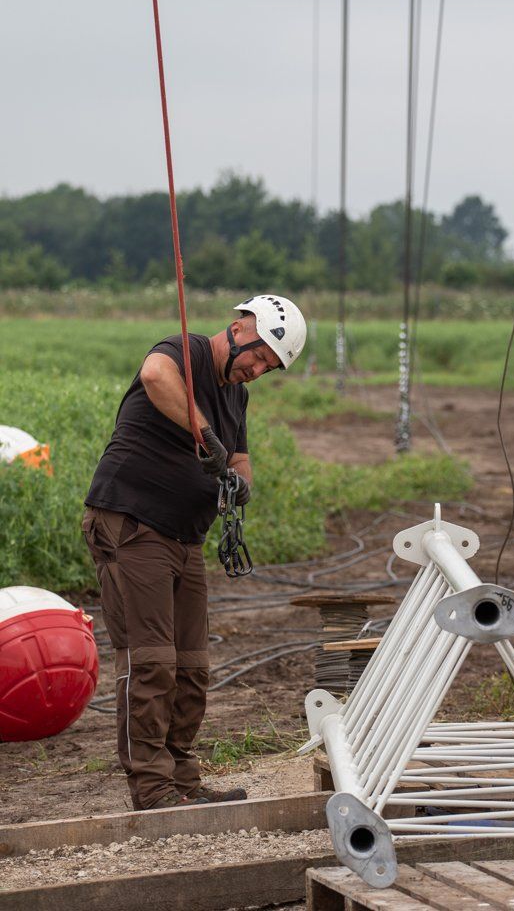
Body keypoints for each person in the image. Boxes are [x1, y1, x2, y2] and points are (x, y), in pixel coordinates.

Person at [82, 295, 307, 810]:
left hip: (186, 539)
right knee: (152, 661)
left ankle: (182, 780)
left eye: (269, 368)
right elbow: (155, 376)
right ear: (239, 328)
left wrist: (239, 484)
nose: (257, 370)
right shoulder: (186, 351)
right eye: (259, 356)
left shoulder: (236, 397)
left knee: (191, 666)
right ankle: (152, 789)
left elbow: (242, 462)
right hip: (133, 524)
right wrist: (204, 436)